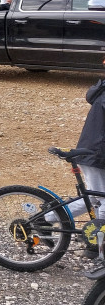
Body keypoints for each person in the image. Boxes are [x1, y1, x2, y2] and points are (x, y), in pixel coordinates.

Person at [46, 68, 105, 258]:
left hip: (95, 152)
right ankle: (97, 244)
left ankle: (47, 219)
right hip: (96, 154)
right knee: (103, 199)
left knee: (94, 198)